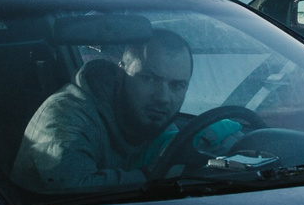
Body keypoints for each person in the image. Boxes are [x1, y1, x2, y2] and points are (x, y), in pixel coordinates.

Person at [13, 29, 194, 191]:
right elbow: (72, 190)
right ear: (120, 73)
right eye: (148, 79)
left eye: (177, 85)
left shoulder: (155, 117)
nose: (162, 98)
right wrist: (154, 174)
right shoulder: (64, 115)